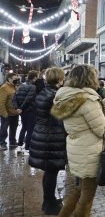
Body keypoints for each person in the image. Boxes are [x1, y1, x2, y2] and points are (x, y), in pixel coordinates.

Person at [51, 64, 105, 216]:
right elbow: (103, 129)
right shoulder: (88, 100)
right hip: (90, 153)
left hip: (77, 150)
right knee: (87, 197)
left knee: (79, 189)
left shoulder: (68, 96)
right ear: (89, 78)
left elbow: (88, 115)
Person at [29, 67, 66, 215]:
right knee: (52, 171)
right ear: (59, 79)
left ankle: (48, 200)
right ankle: (50, 205)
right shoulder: (54, 96)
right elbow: (60, 117)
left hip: (44, 135)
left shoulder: (44, 92)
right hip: (51, 138)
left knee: (50, 172)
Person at [13, 70, 38, 153]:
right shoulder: (33, 87)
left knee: (23, 128)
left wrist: (18, 108)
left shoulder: (20, 85)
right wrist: (21, 108)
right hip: (30, 111)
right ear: (34, 77)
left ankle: (20, 146)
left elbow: (15, 97)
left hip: (22, 112)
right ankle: (27, 148)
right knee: (30, 129)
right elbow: (28, 99)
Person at [0, 73, 22, 150]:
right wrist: (4, 114)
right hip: (7, 113)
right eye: (15, 78)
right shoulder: (4, 88)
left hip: (14, 113)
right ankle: (2, 143)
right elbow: (1, 102)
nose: (17, 80)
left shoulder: (14, 87)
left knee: (14, 128)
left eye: (17, 78)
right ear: (9, 79)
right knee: (4, 129)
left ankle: (12, 141)